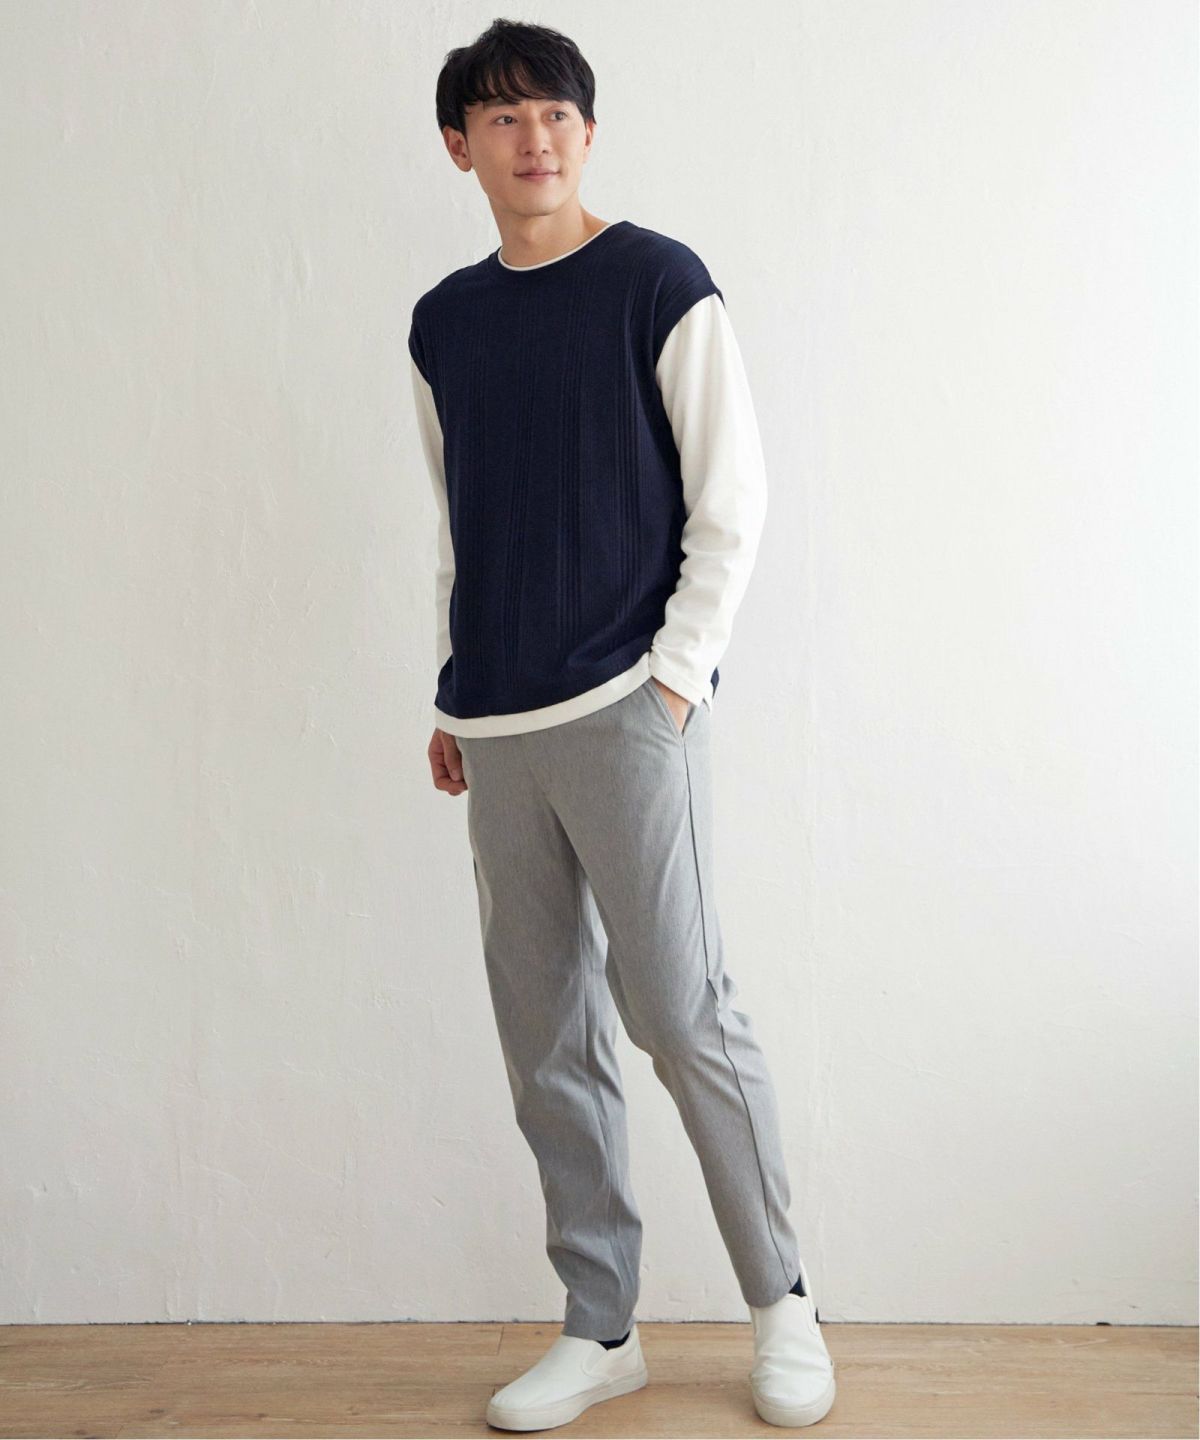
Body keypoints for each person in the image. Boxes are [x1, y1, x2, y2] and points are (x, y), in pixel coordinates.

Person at [408, 18, 836, 1431]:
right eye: (503, 116)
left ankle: (783, 1302)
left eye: (555, 113)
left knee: (680, 1012)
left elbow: (733, 500)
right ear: (460, 146)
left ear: (587, 133)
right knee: (546, 1036)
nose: (534, 138)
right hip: (499, 725)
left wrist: (676, 681)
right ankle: (601, 1327)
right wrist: (451, 689)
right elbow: (462, 520)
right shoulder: (443, 323)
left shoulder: (659, 282)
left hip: (628, 710)